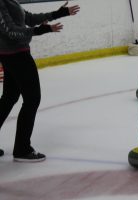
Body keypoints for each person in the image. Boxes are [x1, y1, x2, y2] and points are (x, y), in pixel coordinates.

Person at [0, 0, 80, 162]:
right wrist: (38, 31)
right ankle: (22, 149)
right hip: (16, 56)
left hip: (13, 55)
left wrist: (57, 14)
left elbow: (27, 18)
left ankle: (22, 147)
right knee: (32, 99)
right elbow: (11, 31)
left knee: (9, 98)